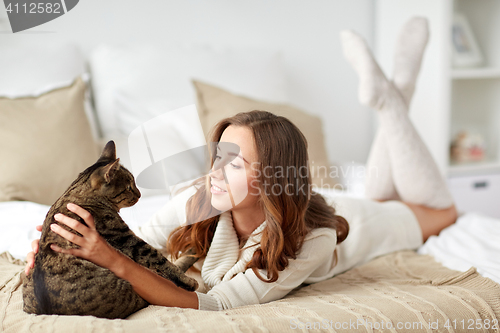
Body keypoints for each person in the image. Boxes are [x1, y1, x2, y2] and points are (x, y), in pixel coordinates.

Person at [25, 17, 458, 311]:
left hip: (359, 223)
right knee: (385, 187)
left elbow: (213, 306)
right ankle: (393, 95)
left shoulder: (315, 241)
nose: (214, 172)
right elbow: (142, 243)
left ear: (270, 175)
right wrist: (73, 253)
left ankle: (391, 100)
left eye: (233, 164)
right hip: (320, 202)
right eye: (218, 158)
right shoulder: (200, 201)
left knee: (443, 211)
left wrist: (114, 262)